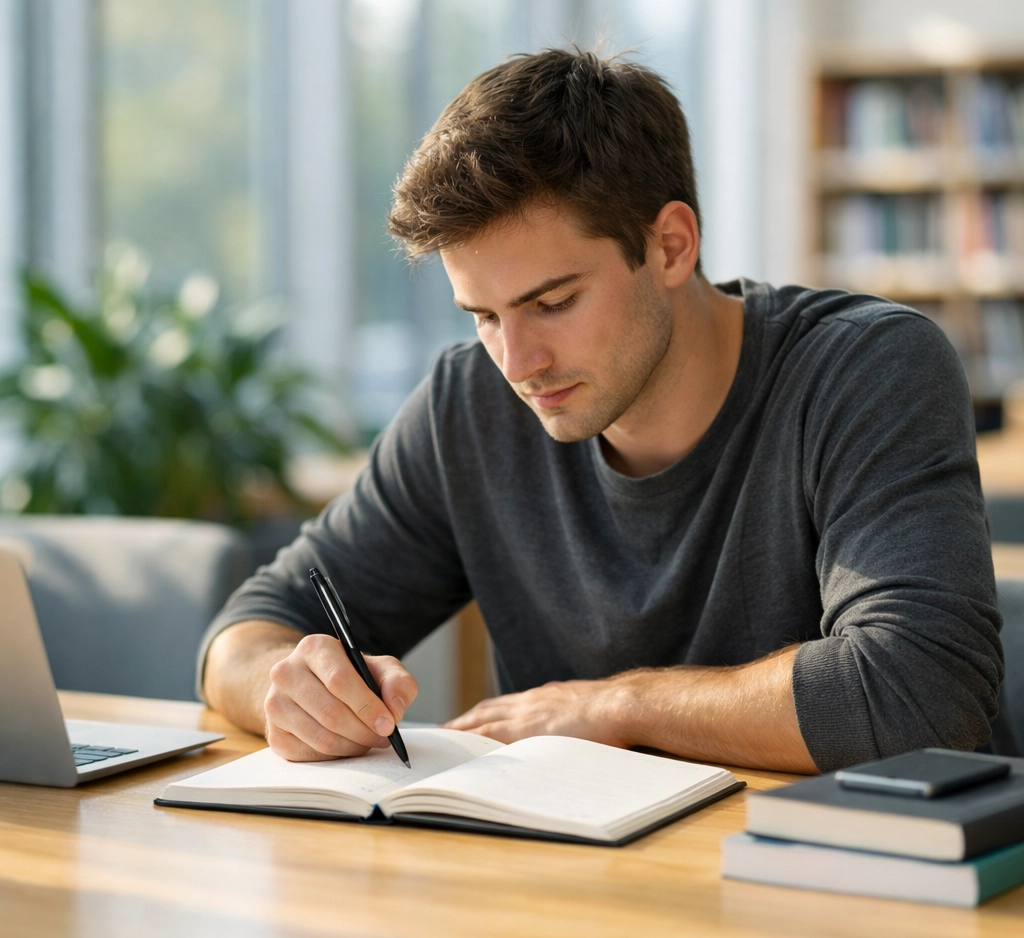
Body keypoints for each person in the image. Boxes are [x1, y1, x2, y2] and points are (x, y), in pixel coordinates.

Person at [199, 48, 1002, 774]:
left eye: (551, 302)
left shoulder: (865, 369)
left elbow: (918, 691)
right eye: (481, 316)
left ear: (671, 245)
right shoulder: (468, 405)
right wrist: (293, 686)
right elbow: (250, 627)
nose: (516, 363)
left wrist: (612, 707)